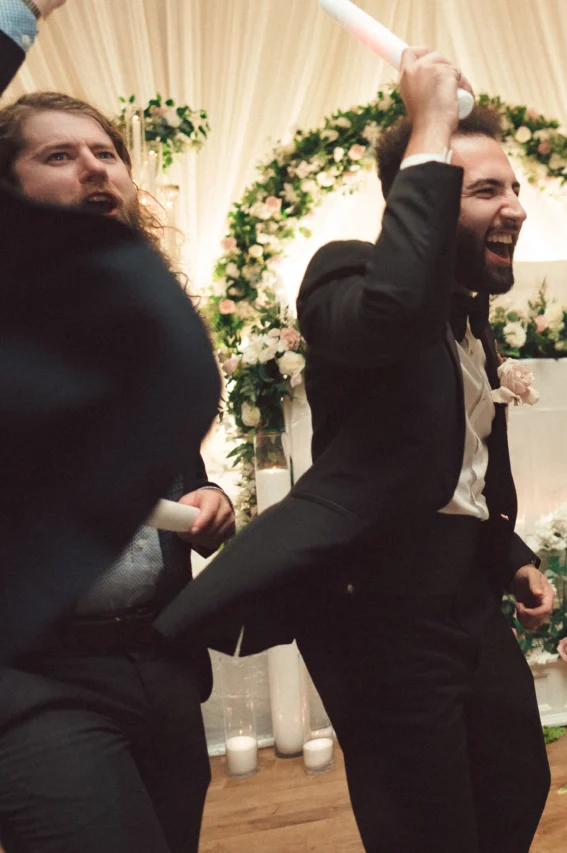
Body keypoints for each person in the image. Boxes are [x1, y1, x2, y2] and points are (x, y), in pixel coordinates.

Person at [157, 49, 554, 852]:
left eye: (515, 187)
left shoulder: (472, 319)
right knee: (426, 823)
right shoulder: (346, 275)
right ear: (427, 194)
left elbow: (453, 469)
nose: (514, 205)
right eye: (486, 189)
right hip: (382, 609)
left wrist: (508, 552)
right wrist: (432, 122)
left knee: (519, 777)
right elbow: (391, 313)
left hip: (465, 599)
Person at [0, 6, 233, 850]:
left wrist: (209, 496)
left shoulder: (141, 330)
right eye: (58, 156)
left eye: (107, 155)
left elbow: (175, 475)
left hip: (160, 664)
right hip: (31, 675)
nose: (94, 169)